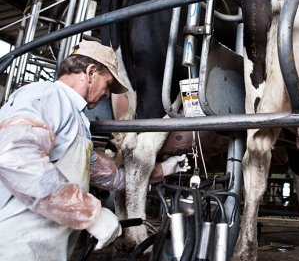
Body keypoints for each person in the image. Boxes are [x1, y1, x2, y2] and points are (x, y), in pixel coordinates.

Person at [0, 40, 190, 260]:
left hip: (45, 248)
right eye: (108, 85)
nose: (108, 95)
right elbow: (15, 158)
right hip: (15, 243)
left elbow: (113, 177)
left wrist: (164, 169)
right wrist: (92, 214)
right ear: (90, 73)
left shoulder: (77, 120)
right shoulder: (47, 96)